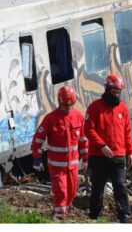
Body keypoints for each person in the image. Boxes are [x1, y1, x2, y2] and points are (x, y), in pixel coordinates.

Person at [31, 85, 88, 220]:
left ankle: (63, 213)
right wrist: (37, 158)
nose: (68, 108)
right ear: (59, 101)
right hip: (57, 167)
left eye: (71, 105)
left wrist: (85, 158)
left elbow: (83, 139)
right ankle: (59, 219)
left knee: (72, 192)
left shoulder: (78, 116)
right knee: (61, 192)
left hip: (73, 166)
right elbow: (38, 139)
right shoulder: (50, 119)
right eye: (65, 106)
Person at [84, 74, 132, 223]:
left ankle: (124, 214)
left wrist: (130, 151)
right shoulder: (94, 107)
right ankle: (95, 216)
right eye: (114, 92)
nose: (117, 95)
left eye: (119, 92)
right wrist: (102, 145)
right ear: (106, 89)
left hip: (118, 155)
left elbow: (127, 132)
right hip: (99, 156)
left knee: (120, 185)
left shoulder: (123, 109)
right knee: (98, 187)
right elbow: (88, 130)